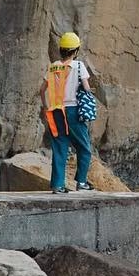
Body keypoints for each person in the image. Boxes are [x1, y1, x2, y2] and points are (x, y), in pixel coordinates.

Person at [42, 31, 95, 194]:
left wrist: (46, 107)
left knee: (59, 148)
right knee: (84, 147)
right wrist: (90, 91)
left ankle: (57, 185)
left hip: (56, 110)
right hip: (73, 111)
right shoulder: (79, 66)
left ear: (61, 50)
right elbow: (86, 88)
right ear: (75, 51)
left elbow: (42, 90)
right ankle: (81, 181)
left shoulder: (53, 67)